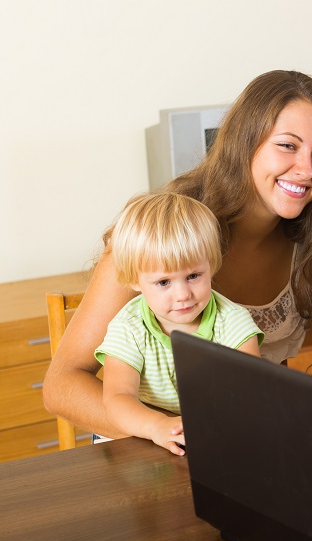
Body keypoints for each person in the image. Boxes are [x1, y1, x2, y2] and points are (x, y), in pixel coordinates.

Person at [43, 70, 312, 438]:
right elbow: (61, 387)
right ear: (245, 142)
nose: (306, 170)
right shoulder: (164, 237)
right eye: (287, 145)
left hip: (233, 443)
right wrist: (170, 433)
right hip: (144, 447)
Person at [95, 193, 263, 455]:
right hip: (142, 432)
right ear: (134, 281)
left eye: (194, 276)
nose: (183, 294)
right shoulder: (128, 327)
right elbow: (117, 399)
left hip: (206, 434)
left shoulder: (231, 321)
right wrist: (158, 426)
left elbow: (249, 390)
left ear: (212, 265)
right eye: (164, 282)